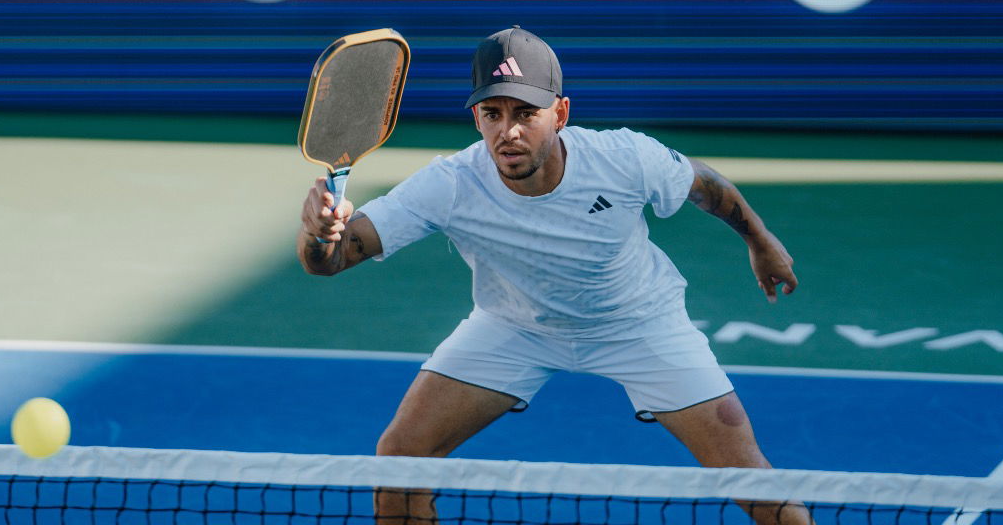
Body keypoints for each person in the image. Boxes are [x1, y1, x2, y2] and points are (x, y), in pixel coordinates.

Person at [296, 26, 806, 525]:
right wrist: (319, 233)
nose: (508, 131)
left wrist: (760, 241)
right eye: (493, 114)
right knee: (401, 455)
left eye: (526, 114)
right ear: (477, 117)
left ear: (560, 113)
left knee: (748, 476)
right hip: (513, 327)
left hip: (640, 325)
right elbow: (332, 260)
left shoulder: (624, 158)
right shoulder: (450, 183)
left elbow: (705, 185)